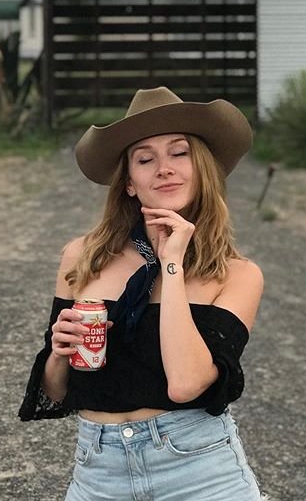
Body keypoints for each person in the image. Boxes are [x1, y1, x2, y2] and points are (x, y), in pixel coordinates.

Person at [19, 86, 264, 500]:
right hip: (99, 472)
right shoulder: (83, 257)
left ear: (203, 169)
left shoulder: (238, 275)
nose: (164, 169)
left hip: (200, 471)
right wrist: (59, 352)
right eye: (145, 159)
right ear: (130, 183)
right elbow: (57, 391)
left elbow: (186, 385)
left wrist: (171, 264)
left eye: (179, 153)